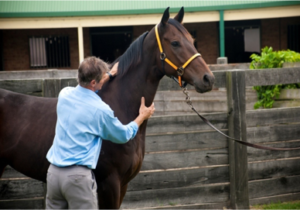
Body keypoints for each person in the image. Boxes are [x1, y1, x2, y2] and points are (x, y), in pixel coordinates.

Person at [45, 56, 155, 210]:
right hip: (77, 179)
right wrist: (141, 117)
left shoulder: (65, 94)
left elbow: (86, 95)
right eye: (102, 77)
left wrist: (108, 75)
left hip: (53, 175)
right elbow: (123, 135)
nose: (105, 78)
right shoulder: (101, 110)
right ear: (93, 83)